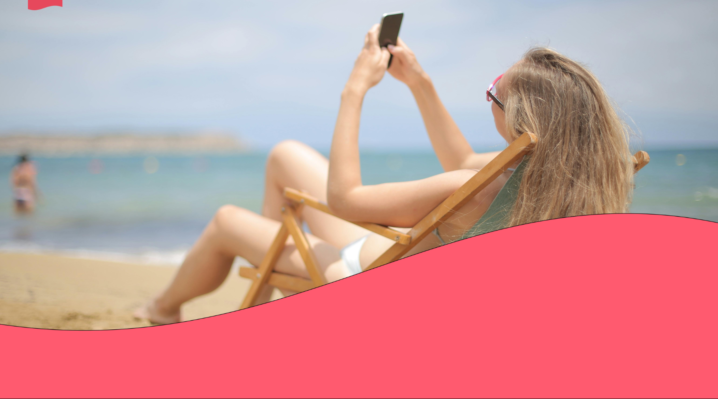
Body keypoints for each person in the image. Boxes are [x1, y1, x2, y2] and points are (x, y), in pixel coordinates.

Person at [135, 25, 634, 324]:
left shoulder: (480, 190)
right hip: (389, 253)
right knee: (285, 155)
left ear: (521, 120)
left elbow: (347, 198)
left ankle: (162, 308)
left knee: (225, 220)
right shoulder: (550, 179)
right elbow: (463, 164)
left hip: (360, 276)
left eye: (493, 93)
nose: (489, 98)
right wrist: (419, 82)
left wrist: (355, 89)